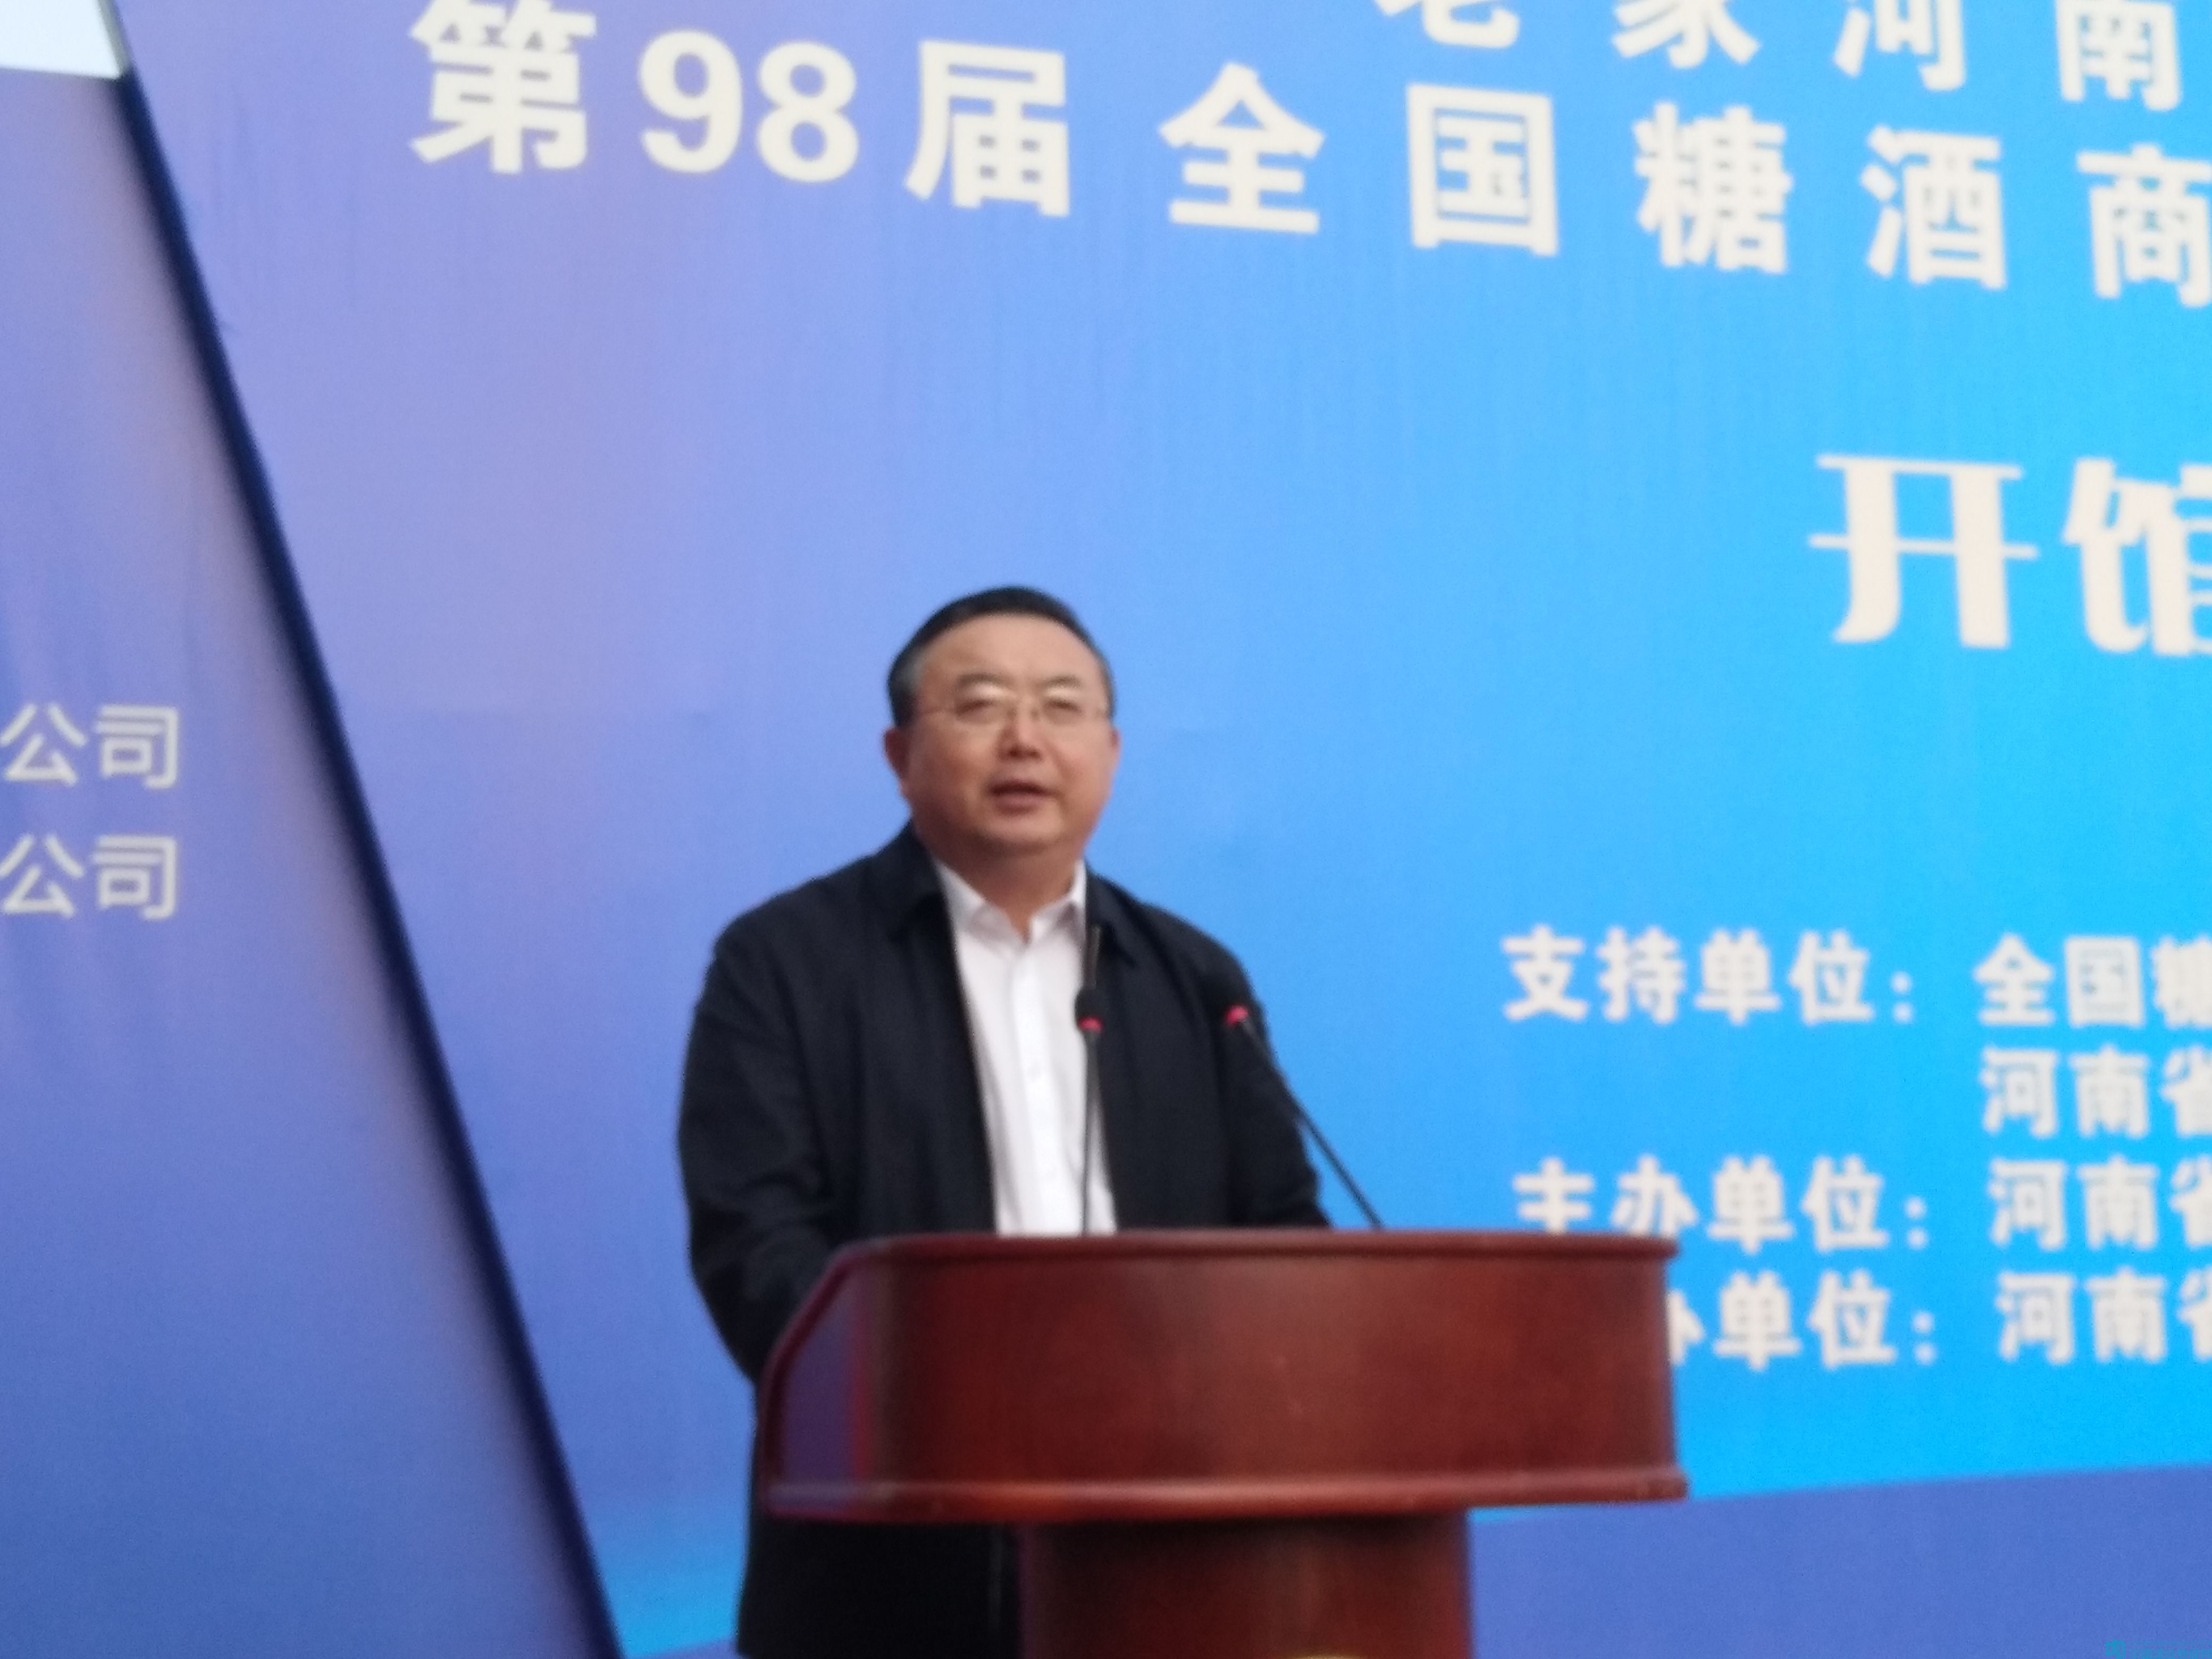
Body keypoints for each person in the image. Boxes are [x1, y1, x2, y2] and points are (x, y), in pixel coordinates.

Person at [678, 586, 1326, 1659]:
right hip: (888, 1566)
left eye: (1062, 708)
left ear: (1111, 752)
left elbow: (1284, 1236)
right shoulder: (784, 963)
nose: (1025, 739)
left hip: (1167, 1550)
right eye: (980, 706)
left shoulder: (1192, 976)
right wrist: (967, 1409)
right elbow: (758, 1251)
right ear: (899, 756)